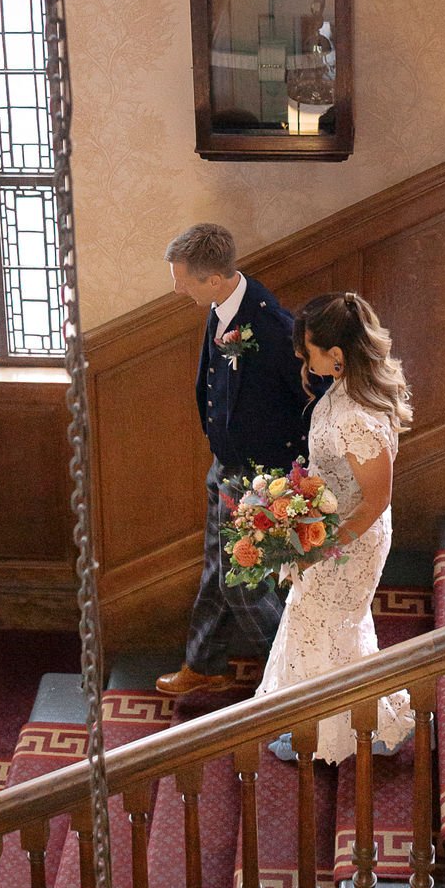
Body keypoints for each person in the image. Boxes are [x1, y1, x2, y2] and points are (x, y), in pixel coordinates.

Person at [256, 292, 414, 764]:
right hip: (330, 529)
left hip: (352, 540)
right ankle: (366, 721)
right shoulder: (343, 393)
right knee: (330, 626)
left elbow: (375, 500)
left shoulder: (359, 419)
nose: (303, 356)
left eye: (310, 349)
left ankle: (338, 733)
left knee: (324, 625)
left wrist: (320, 549)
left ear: (338, 356)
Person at [159, 224, 312, 699]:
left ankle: (291, 675)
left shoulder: (272, 327)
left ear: (215, 279)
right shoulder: (219, 309)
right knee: (215, 569)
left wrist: (286, 477)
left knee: (240, 583)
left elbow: (313, 400)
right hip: (224, 466)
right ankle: (205, 664)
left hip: (260, 478)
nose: (176, 287)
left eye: (183, 279)